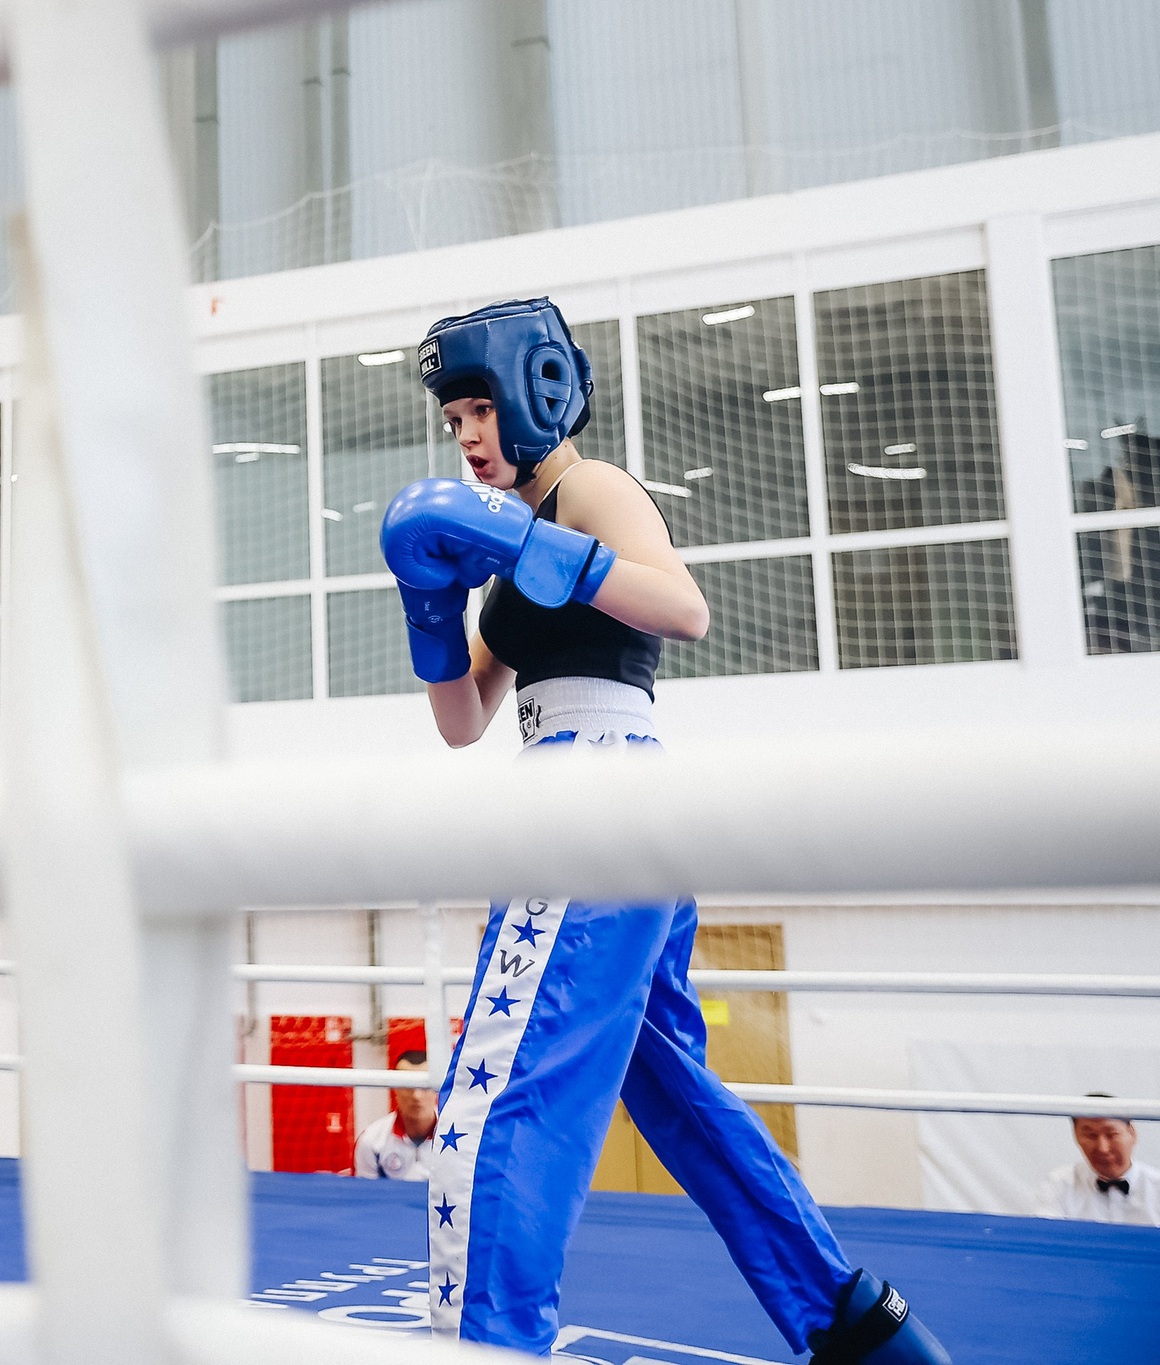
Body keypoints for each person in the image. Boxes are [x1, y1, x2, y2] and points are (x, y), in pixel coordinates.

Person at [383, 298, 949, 1365]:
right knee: (673, 1090)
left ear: (535, 393)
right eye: (451, 419)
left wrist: (527, 540)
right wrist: (428, 602)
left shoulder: (589, 490)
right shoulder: (510, 549)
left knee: (497, 1097)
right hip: (594, 799)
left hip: (593, 794)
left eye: (477, 409)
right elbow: (463, 722)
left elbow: (684, 609)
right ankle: (853, 1324)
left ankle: (484, 1344)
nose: (464, 436)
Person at [1035, 1102, 1157, 1227]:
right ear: (1076, 1137)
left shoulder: (1156, 1186)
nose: (1102, 1148)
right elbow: (1046, 1232)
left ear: (1132, 1133)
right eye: (1091, 1136)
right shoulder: (1059, 1184)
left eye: (1111, 1134)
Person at [356, 1043, 439, 1182]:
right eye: (408, 1085)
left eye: (425, 1086)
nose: (416, 1096)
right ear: (394, 1088)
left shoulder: (459, 1137)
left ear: (437, 1089)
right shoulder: (371, 1140)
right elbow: (365, 1193)